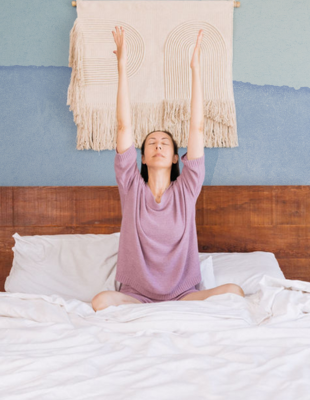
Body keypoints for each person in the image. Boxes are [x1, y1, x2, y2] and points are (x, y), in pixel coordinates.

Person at [91, 26, 244, 312]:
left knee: (234, 292)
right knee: (101, 301)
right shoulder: (131, 187)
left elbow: (197, 129)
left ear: (176, 158)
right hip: (137, 295)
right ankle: (150, 311)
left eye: (165, 143)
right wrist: (121, 66)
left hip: (182, 295)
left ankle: (169, 309)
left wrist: (195, 70)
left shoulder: (187, 189)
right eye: (151, 143)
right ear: (142, 158)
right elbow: (123, 126)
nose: (158, 146)